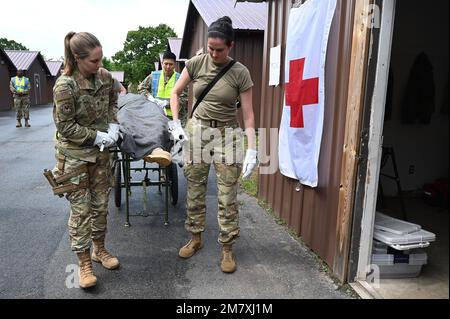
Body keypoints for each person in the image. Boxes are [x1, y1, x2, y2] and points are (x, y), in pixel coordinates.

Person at [169, 16, 258, 273]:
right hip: (198, 131)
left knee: (227, 194)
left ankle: (227, 248)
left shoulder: (240, 72)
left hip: (227, 135)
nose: (214, 54)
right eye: (211, 48)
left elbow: (249, 114)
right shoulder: (196, 63)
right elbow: (175, 92)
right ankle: (195, 238)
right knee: (195, 188)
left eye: (219, 49)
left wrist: (252, 147)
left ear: (230, 46)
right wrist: (176, 123)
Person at [52, 31, 120, 289]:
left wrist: (113, 126)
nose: (99, 65)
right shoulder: (65, 85)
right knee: (81, 213)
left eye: (101, 59)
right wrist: (97, 136)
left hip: (101, 157)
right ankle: (84, 264)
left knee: (101, 207)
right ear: (77, 58)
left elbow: (114, 100)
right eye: (93, 61)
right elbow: (66, 127)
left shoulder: (104, 77)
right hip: (76, 158)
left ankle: (99, 250)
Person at [138, 51, 188, 124]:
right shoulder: (153, 76)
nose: (168, 67)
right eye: (166, 64)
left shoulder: (180, 79)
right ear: (162, 63)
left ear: (175, 64)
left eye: (171, 64)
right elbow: (141, 88)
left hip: (175, 118)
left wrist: (166, 103)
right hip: (156, 116)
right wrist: (149, 97)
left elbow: (184, 98)